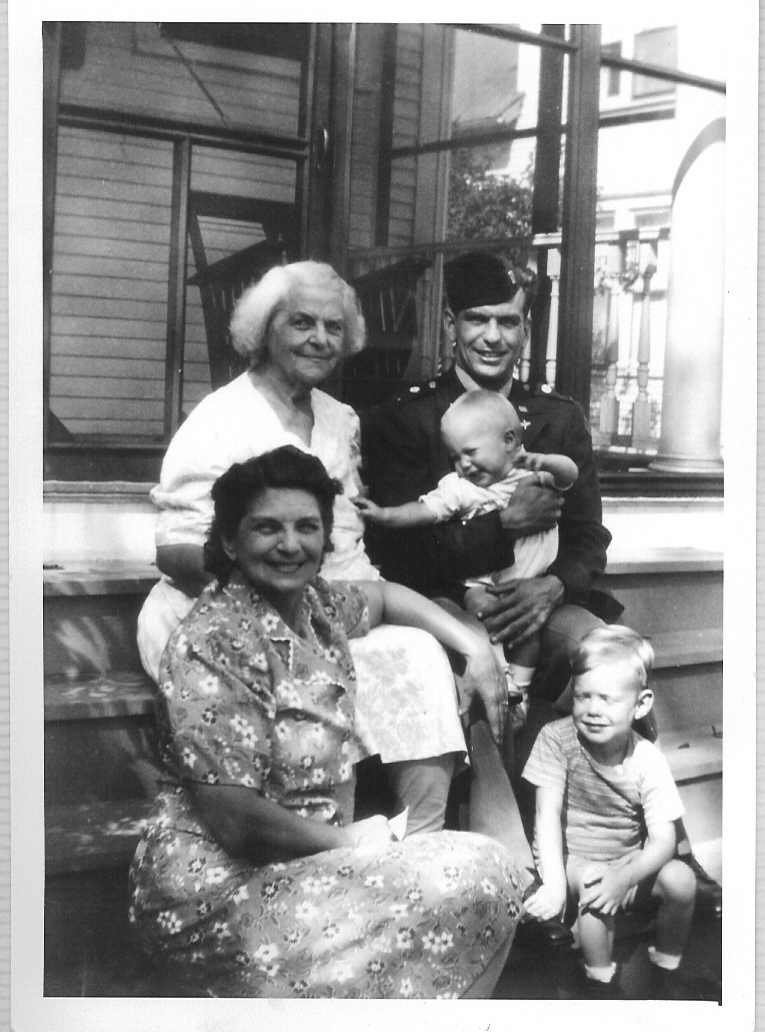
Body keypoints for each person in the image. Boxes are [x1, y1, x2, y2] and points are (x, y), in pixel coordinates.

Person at [361, 248, 722, 913]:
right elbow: (396, 555)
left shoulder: (555, 418)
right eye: (477, 319)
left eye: (508, 321)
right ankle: (518, 871)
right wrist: (502, 530)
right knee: (474, 674)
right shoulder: (405, 419)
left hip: (541, 597)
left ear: (526, 328)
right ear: (450, 324)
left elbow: (588, 536)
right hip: (449, 602)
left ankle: (660, 847)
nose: (492, 336)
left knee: (604, 653)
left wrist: (552, 587)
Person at [129, 447, 523, 998]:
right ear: (230, 542)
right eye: (267, 527)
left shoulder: (316, 606)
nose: (290, 544)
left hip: (306, 867)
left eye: (306, 527)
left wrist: (474, 646)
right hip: (217, 892)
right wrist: (350, 841)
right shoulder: (215, 641)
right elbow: (234, 819)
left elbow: (385, 596)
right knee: (476, 875)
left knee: (487, 878)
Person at [137, 259, 506, 836]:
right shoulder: (219, 419)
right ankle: (328, 843)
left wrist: (463, 641)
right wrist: (292, 610)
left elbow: (348, 541)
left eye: (334, 327)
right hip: (224, 607)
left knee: (420, 655)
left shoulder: (340, 419)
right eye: (302, 323)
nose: (319, 339)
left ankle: (422, 843)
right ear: (265, 329)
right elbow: (176, 550)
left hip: (330, 602)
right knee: (321, 678)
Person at [356, 388, 577, 715]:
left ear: (509, 440)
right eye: (455, 457)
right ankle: (503, 680)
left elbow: (570, 474)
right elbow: (424, 512)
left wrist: (546, 462)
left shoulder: (533, 476)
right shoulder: (461, 488)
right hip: (483, 584)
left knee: (529, 636)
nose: (463, 465)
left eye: (470, 452)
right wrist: (385, 515)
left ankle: (520, 690)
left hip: (532, 582)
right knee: (481, 615)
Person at [522, 627, 698, 999]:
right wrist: (554, 886)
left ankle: (667, 969)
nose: (592, 709)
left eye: (607, 699)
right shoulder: (557, 740)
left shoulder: (646, 757)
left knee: (682, 880)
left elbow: (664, 839)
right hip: (575, 860)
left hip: (626, 861)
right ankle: (599, 982)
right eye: (583, 696)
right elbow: (546, 816)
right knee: (594, 886)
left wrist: (625, 876)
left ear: (641, 704)